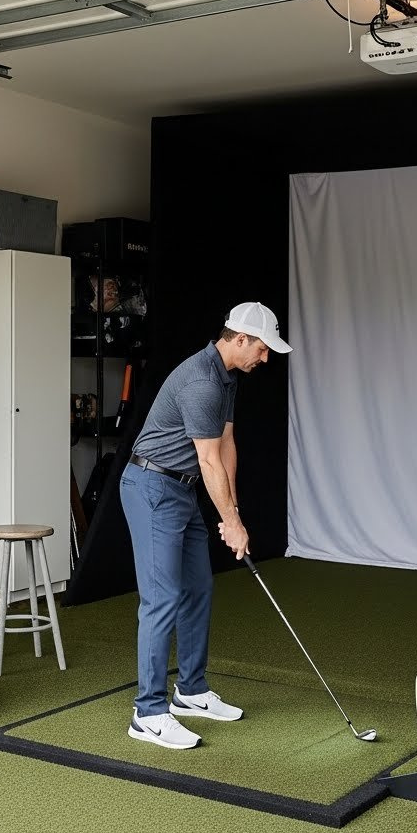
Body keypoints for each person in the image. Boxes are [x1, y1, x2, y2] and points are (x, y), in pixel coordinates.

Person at [119, 301, 292, 750]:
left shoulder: (227, 377)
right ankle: (148, 713)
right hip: (151, 487)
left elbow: (227, 443)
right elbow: (209, 458)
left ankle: (191, 692)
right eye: (262, 348)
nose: (266, 358)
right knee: (161, 599)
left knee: (198, 588)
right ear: (239, 339)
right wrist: (231, 523)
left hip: (183, 489)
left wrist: (230, 510)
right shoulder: (201, 382)